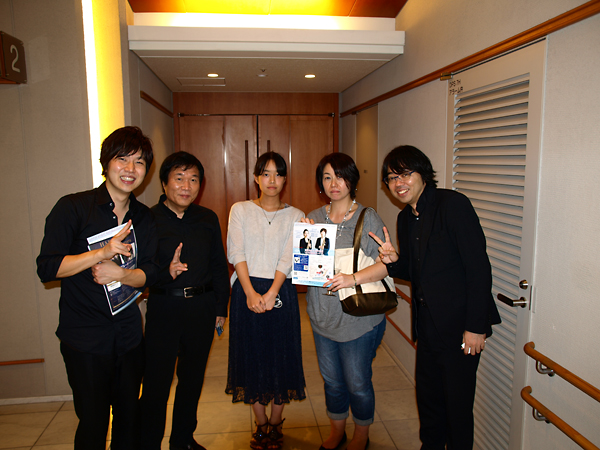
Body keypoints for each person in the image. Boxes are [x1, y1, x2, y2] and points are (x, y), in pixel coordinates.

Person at [372, 145, 502, 449]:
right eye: (391, 178)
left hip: (461, 330)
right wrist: (394, 260)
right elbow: (415, 271)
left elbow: (478, 268)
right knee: (429, 403)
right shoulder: (405, 218)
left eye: (405, 174)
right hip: (428, 329)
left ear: (423, 173)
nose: (398, 183)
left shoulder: (452, 205)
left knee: (457, 410)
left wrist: (475, 327)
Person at [36, 126, 158, 450]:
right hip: (86, 341)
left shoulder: (144, 217)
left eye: (139, 162)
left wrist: (122, 274)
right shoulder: (74, 208)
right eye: (122, 159)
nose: (130, 169)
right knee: (93, 424)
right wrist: (101, 253)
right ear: (106, 162)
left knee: (129, 421)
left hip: (130, 339)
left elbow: (151, 272)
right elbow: (47, 268)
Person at [140, 152, 230, 450]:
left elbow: (219, 265)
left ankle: (182, 441)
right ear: (164, 183)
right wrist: (165, 273)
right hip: (164, 307)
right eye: (179, 178)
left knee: (191, 380)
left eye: (193, 180)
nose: (186, 186)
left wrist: (220, 307)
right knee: (156, 383)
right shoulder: (147, 219)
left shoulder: (207, 218)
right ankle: (150, 443)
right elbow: (139, 272)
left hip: (201, 308)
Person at [303, 153, 387, 450]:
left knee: (357, 383)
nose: (334, 183)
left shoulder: (367, 217)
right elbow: (306, 271)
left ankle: (361, 434)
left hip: (358, 319)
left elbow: (386, 265)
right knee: (332, 381)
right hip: (322, 316)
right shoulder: (313, 218)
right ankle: (337, 430)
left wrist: (352, 278)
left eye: (340, 176)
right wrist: (302, 241)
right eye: (327, 177)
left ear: (352, 180)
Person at [226, 151, 306, 450]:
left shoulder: (296, 215)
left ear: (285, 179)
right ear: (256, 178)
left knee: (281, 356)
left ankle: (275, 422)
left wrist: (272, 292)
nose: (272, 180)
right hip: (246, 289)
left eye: (278, 174)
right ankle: (260, 424)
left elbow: (289, 256)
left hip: (280, 290)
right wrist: (249, 292)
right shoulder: (240, 210)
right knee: (252, 357)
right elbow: (236, 251)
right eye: (266, 173)